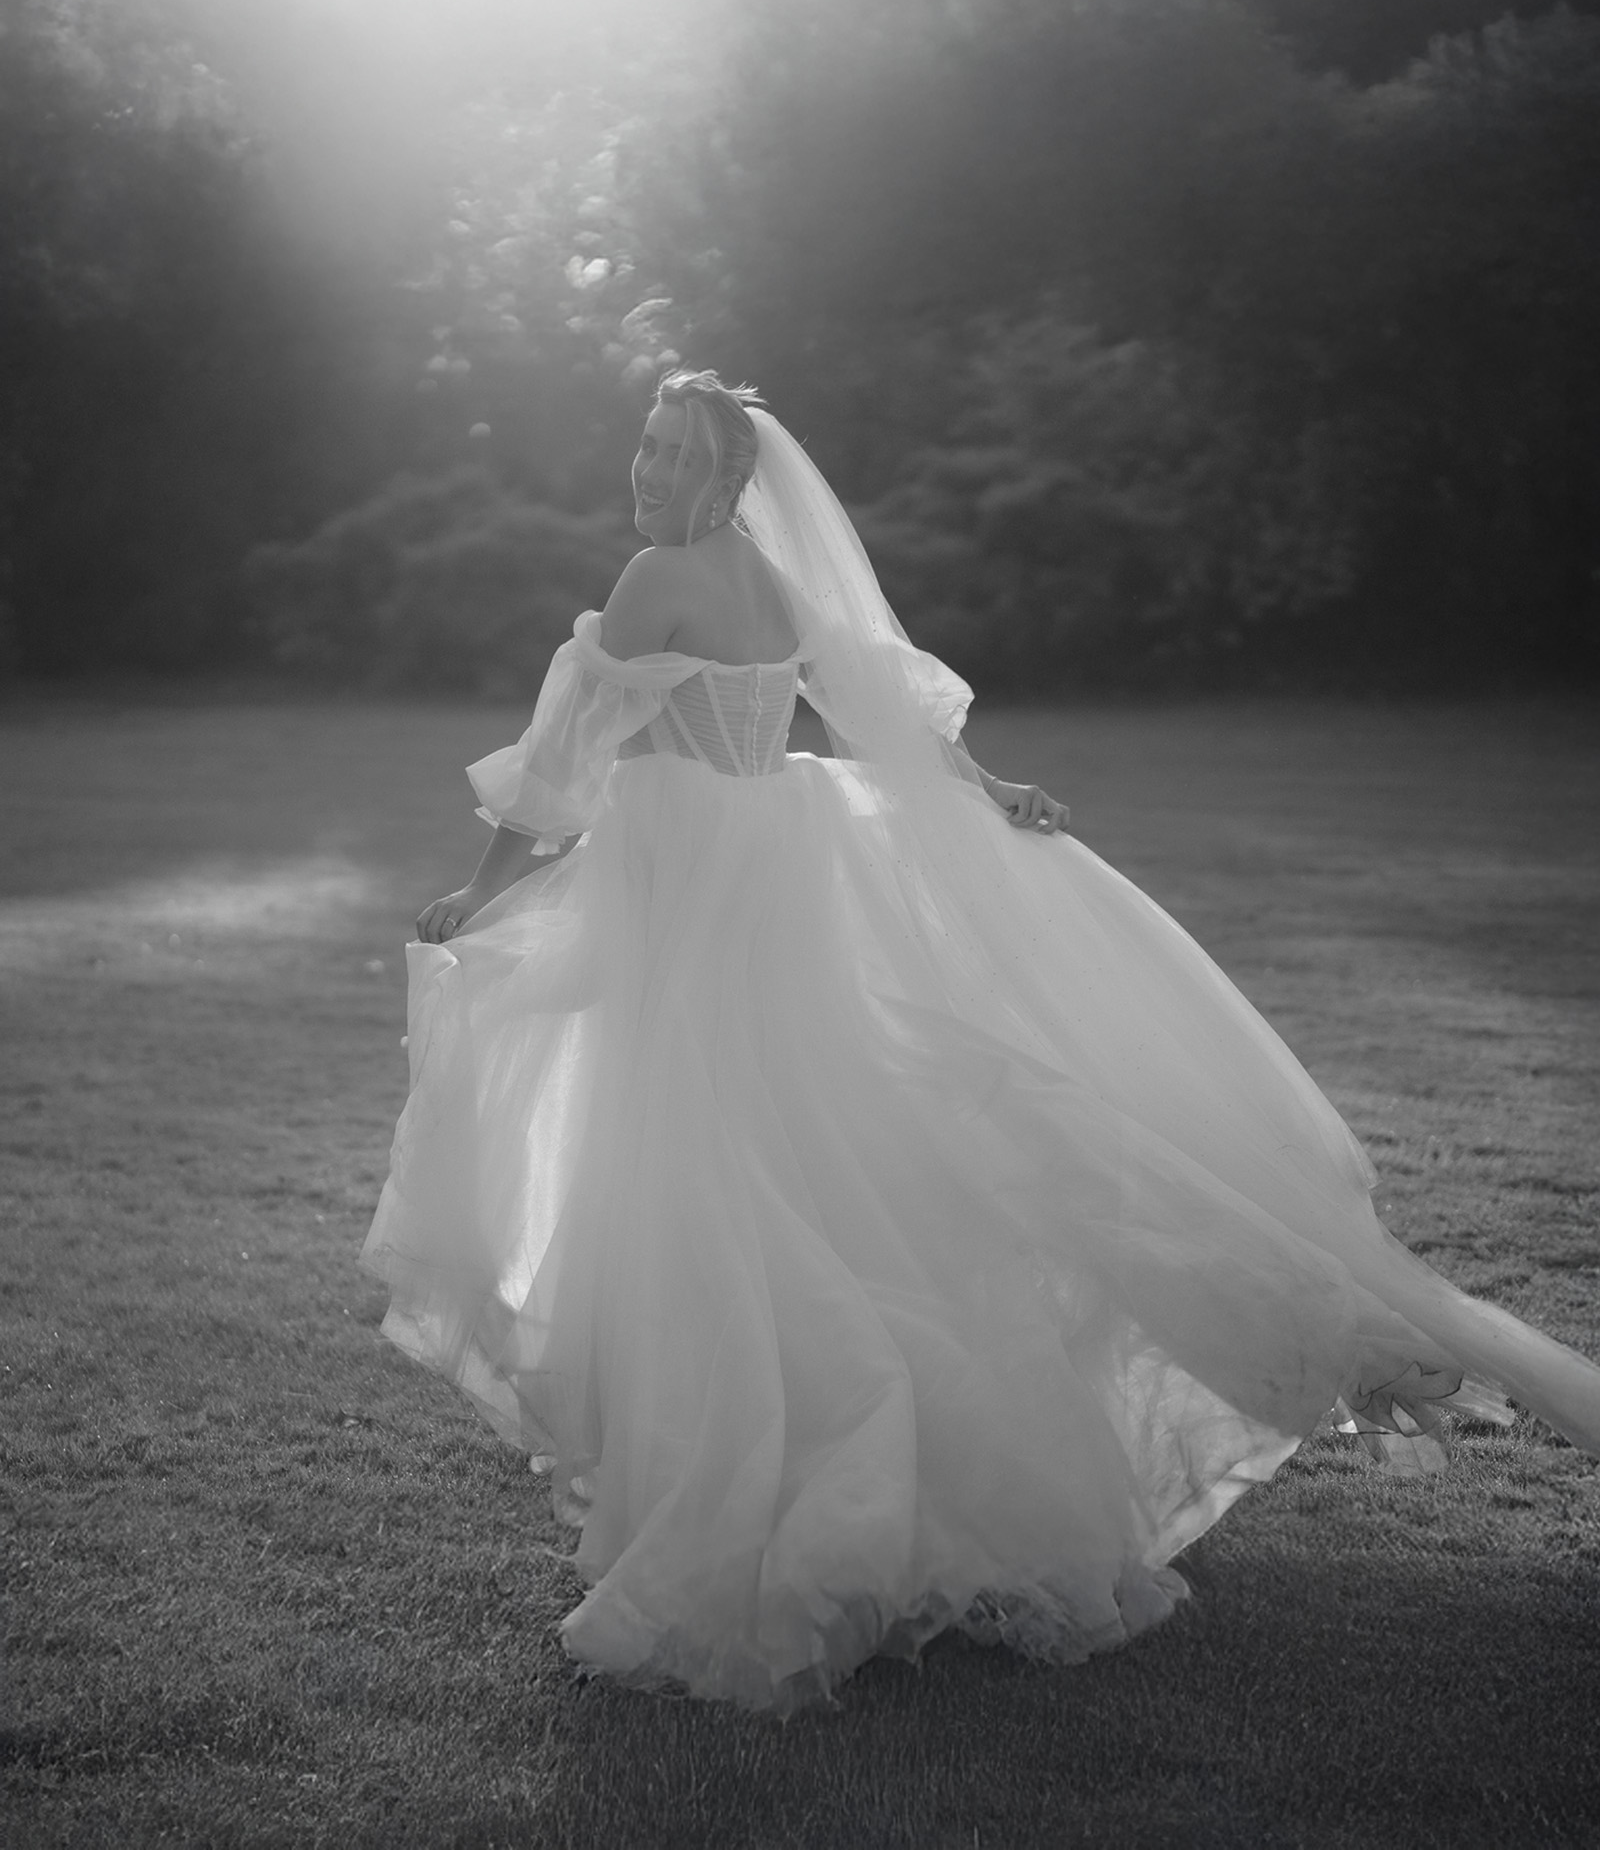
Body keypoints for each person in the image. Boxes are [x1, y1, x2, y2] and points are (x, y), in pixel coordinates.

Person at [362, 369, 1600, 1715]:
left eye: (677, 454)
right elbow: (871, 708)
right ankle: (1311, 1326)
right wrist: (990, 784)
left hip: (700, 901)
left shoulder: (660, 574)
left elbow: (568, 753)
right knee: (867, 1160)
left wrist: (483, 891)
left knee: (728, 1184)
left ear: (728, 480)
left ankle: (774, 1508)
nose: (649, 470)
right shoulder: (775, 585)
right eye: (647, 445)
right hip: (761, 875)